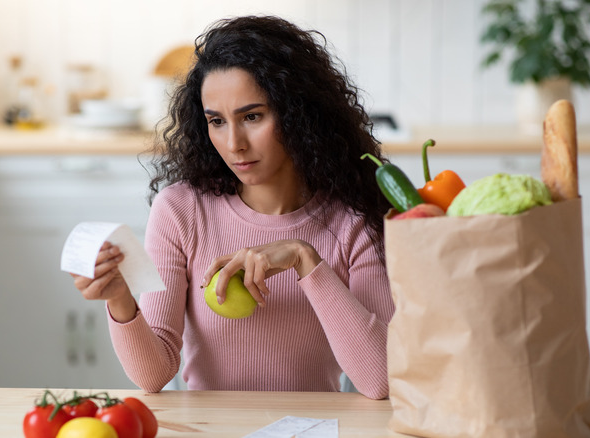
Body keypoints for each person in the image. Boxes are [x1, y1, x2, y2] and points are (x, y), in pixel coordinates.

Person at [72, 15, 395, 400]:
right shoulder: (181, 210)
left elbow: (381, 380)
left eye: (252, 116)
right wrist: (119, 298)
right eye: (217, 121)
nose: (234, 143)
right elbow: (153, 374)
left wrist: (304, 258)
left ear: (299, 115)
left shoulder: (352, 220)